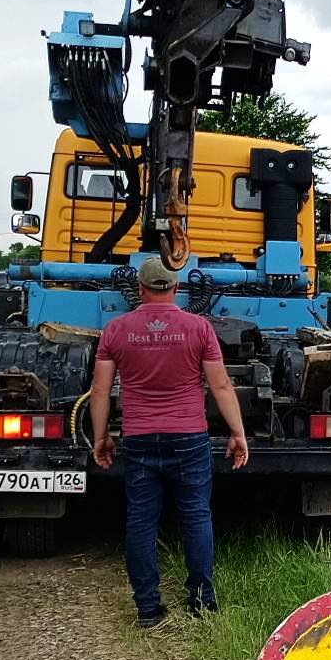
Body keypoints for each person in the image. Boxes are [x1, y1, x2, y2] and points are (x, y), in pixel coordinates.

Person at [90, 254, 249, 627]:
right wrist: (237, 433)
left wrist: (101, 437)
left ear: (140, 289)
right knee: (196, 515)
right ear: (177, 288)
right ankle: (201, 602)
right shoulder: (199, 329)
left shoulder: (116, 329)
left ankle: (147, 609)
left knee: (141, 521)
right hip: (189, 437)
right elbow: (220, 385)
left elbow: (99, 389)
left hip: (140, 438)